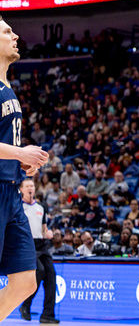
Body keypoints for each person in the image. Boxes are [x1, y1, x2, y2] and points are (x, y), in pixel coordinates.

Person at [0, 16, 50, 322]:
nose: (16, 35)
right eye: (7, 32)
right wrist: (20, 152)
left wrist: (21, 162)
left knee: (25, 281)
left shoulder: (7, 86)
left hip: (11, 191)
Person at [19, 178, 57, 324]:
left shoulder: (41, 206)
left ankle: (47, 315)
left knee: (51, 275)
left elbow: (44, 228)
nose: (30, 188)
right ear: (21, 189)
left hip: (41, 244)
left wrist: (48, 233)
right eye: (27, 186)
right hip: (26, 244)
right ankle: (25, 305)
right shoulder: (18, 206)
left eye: (32, 186)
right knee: (39, 271)